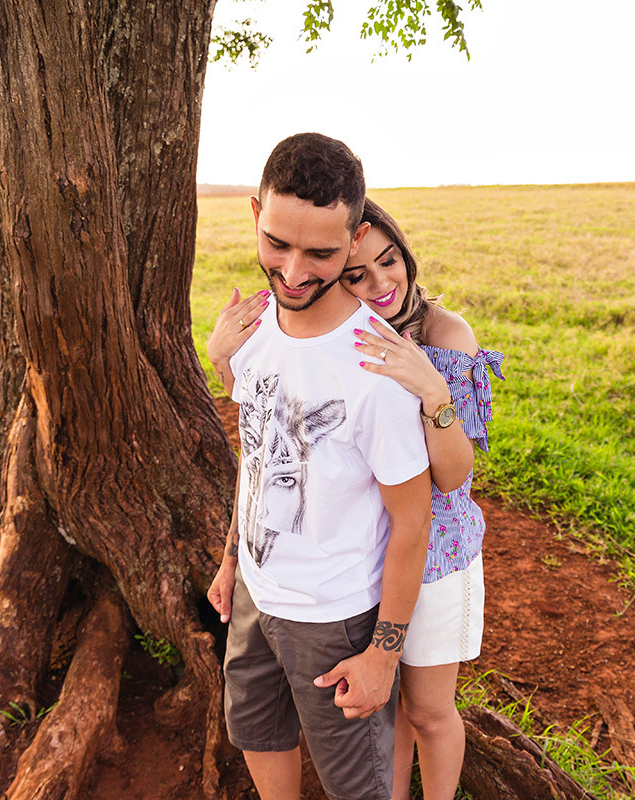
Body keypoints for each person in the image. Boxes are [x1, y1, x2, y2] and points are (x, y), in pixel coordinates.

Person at [209, 197, 505, 800]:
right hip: (372, 552)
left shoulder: (442, 336)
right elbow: (268, 444)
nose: (379, 284)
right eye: (356, 275)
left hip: (436, 553)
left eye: (389, 263)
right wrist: (223, 360)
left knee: (427, 711)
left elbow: (452, 478)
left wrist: (429, 388)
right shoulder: (331, 332)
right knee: (387, 717)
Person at [207, 133, 433, 800]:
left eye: (323, 253)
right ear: (255, 214)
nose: (295, 271)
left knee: (357, 789)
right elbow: (257, 453)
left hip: (336, 620)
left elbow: (412, 521)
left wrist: (383, 655)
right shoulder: (252, 332)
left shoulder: (377, 366)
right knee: (258, 734)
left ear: (357, 235)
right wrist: (230, 563)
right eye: (278, 243)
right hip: (255, 594)